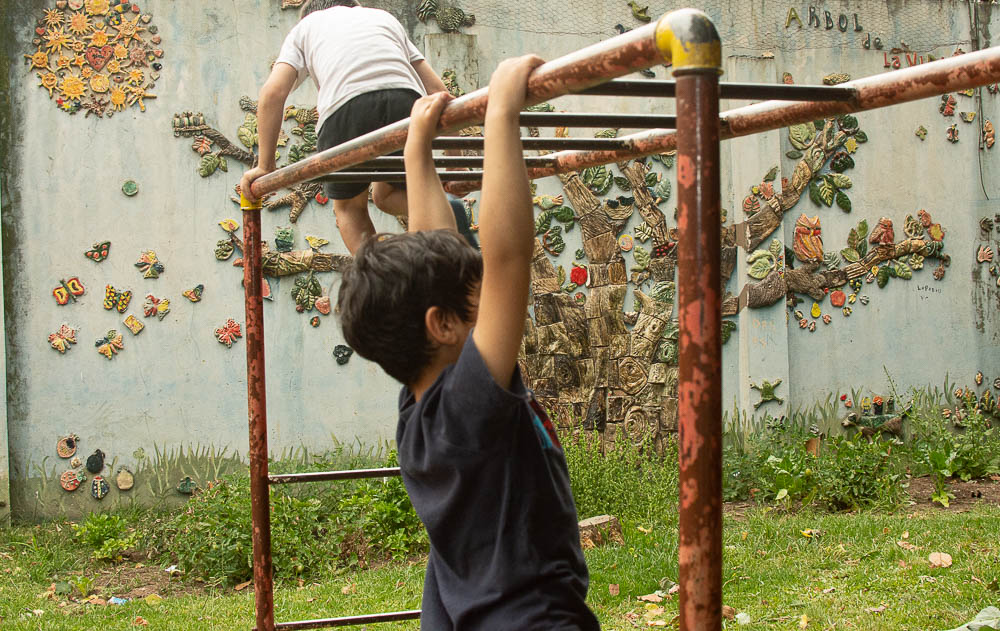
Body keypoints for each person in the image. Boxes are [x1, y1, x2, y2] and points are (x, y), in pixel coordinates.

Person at [337, 56, 601, 630]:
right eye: (473, 285)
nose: (486, 282)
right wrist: (502, 113)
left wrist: (417, 153)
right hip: (530, 619)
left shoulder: (421, 409)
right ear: (443, 324)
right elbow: (508, 258)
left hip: (462, 613)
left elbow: (440, 249)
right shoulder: (470, 399)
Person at [239, 0, 449, 254]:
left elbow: (273, 94)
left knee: (349, 208)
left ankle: (383, 284)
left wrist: (265, 166)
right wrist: (455, 164)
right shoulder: (382, 18)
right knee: (387, 195)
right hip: (407, 104)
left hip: (345, 107)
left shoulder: (306, 26)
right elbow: (438, 91)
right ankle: (445, 209)